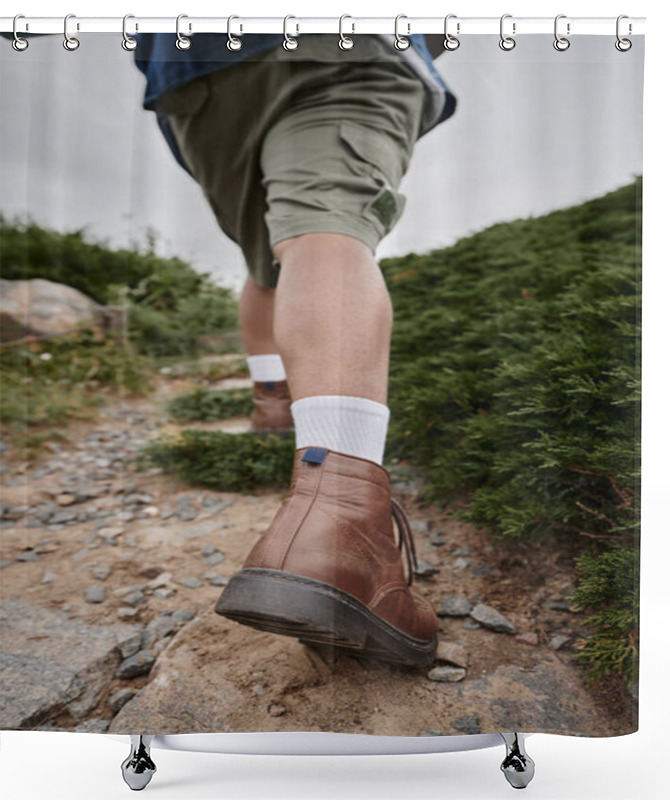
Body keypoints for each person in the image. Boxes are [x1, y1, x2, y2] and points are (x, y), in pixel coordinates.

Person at [133, 30, 456, 667]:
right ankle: (341, 521)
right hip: (340, 39)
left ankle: (274, 405)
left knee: (268, 263)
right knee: (324, 227)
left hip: (197, 72)